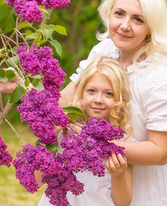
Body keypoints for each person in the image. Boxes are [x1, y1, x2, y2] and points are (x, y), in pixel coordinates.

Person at [59, 0, 167, 205]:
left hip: (141, 186)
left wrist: (95, 143)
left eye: (138, 19)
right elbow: (67, 100)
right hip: (93, 181)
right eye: (119, 14)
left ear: (151, 27)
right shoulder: (105, 50)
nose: (125, 25)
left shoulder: (163, 74)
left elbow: (160, 152)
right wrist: (24, 87)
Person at [38, 56, 133, 206]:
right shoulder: (65, 129)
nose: (98, 99)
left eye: (109, 93)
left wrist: (118, 175)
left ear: (119, 98)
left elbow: (123, 202)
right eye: (91, 91)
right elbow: (37, 179)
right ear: (81, 91)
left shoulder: (122, 140)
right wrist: (49, 138)